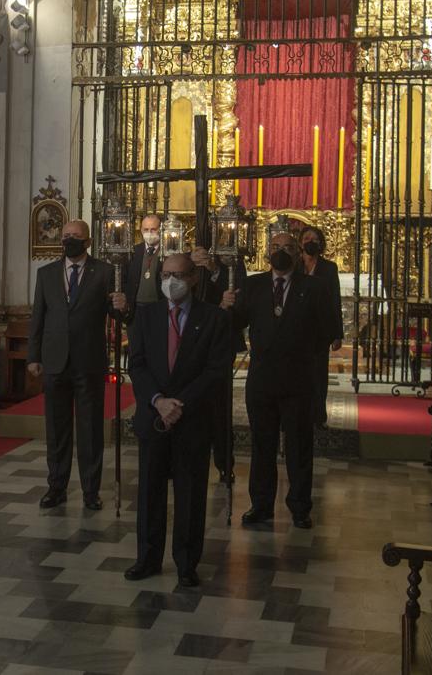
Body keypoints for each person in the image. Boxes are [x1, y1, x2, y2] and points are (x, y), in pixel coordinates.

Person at [125, 254, 235, 588]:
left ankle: (187, 562)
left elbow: (217, 370)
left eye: (179, 275)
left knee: (190, 493)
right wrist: (158, 401)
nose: (171, 281)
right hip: (155, 415)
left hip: (193, 418)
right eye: (166, 274)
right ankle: (147, 557)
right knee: (150, 491)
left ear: (193, 279)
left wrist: (180, 403)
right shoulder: (146, 316)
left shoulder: (214, 318)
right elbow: (137, 365)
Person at [222, 231, 331, 528]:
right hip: (263, 380)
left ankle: (299, 506)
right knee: (262, 446)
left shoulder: (313, 287)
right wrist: (226, 306)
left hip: (298, 380)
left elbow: (326, 331)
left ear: (296, 252)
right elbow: (235, 323)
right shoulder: (253, 285)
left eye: (286, 247)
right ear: (267, 251)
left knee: (298, 447)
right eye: (275, 247)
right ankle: (261, 504)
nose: (280, 251)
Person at [27, 219, 127, 511]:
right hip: (55, 361)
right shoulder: (46, 274)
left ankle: (90, 490)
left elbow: (115, 314)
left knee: (90, 429)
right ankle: (56, 487)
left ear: (88, 242)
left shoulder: (105, 272)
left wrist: (122, 305)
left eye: (76, 236)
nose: (70, 240)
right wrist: (34, 356)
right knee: (57, 430)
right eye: (66, 236)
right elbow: (38, 317)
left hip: (89, 361)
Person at [191, 245, 247, 483]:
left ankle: (225, 463)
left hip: (221, 342)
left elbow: (238, 291)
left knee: (220, 408)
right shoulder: (185, 256)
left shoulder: (231, 258)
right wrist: (192, 264)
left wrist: (214, 269)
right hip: (190, 340)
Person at [299, 225, 344, 427]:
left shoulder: (329, 268)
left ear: (320, 243)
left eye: (314, 239)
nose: (310, 241)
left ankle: (318, 416)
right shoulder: (294, 265)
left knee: (318, 374)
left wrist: (337, 333)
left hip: (319, 330)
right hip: (295, 327)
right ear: (300, 242)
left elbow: (335, 300)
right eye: (307, 238)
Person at [124, 214, 165, 311]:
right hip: (136, 308)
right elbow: (124, 279)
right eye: (146, 229)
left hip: (159, 306)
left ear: (161, 229)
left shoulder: (167, 251)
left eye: (153, 229)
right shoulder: (133, 252)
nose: (149, 233)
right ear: (141, 230)